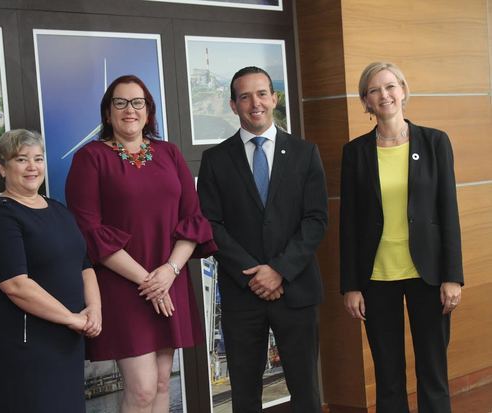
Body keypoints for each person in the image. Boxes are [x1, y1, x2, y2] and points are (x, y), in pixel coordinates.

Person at [65, 75, 217, 413]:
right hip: (123, 285)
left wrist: (169, 271)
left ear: (149, 111)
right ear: (107, 113)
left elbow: (193, 219)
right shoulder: (90, 158)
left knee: (163, 383)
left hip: (169, 281)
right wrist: (149, 281)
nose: (129, 110)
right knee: (143, 390)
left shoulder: (169, 153)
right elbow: (88, 231)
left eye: (138, 103)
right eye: (120, 102)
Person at [197, 66, 328, 413]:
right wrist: (255, 274)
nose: (254, 103)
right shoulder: (214, 160)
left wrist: (279, 270)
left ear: (274, 98)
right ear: (233, 104)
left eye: (261, 94)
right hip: (243, 294)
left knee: (306, 391)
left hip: (296, 289)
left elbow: (316, 220)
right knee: (244, 393)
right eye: (244, 96)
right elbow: (210, 224)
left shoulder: (305, 152)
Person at [340, 62, 464, 413]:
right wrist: (351, 285)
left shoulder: (435, 141)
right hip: (377, 278)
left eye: (391, 86)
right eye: (375, 90)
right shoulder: (355, 152)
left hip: (429, 275)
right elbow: (348, 224)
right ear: (365, 101)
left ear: (404, 91)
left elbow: (448, 212)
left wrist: (453, 276)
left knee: (433, 372)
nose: (385, 95)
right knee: (388, 376)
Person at [0, 129, 101, 413]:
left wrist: (94, 309)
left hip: (68, 341)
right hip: (27, 344)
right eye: (21, 159)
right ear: (1, 166)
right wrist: (72, 318)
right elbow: (16, 285)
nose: (32, 167)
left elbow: (85, 265)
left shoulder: (59, 210)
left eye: (38, 158)